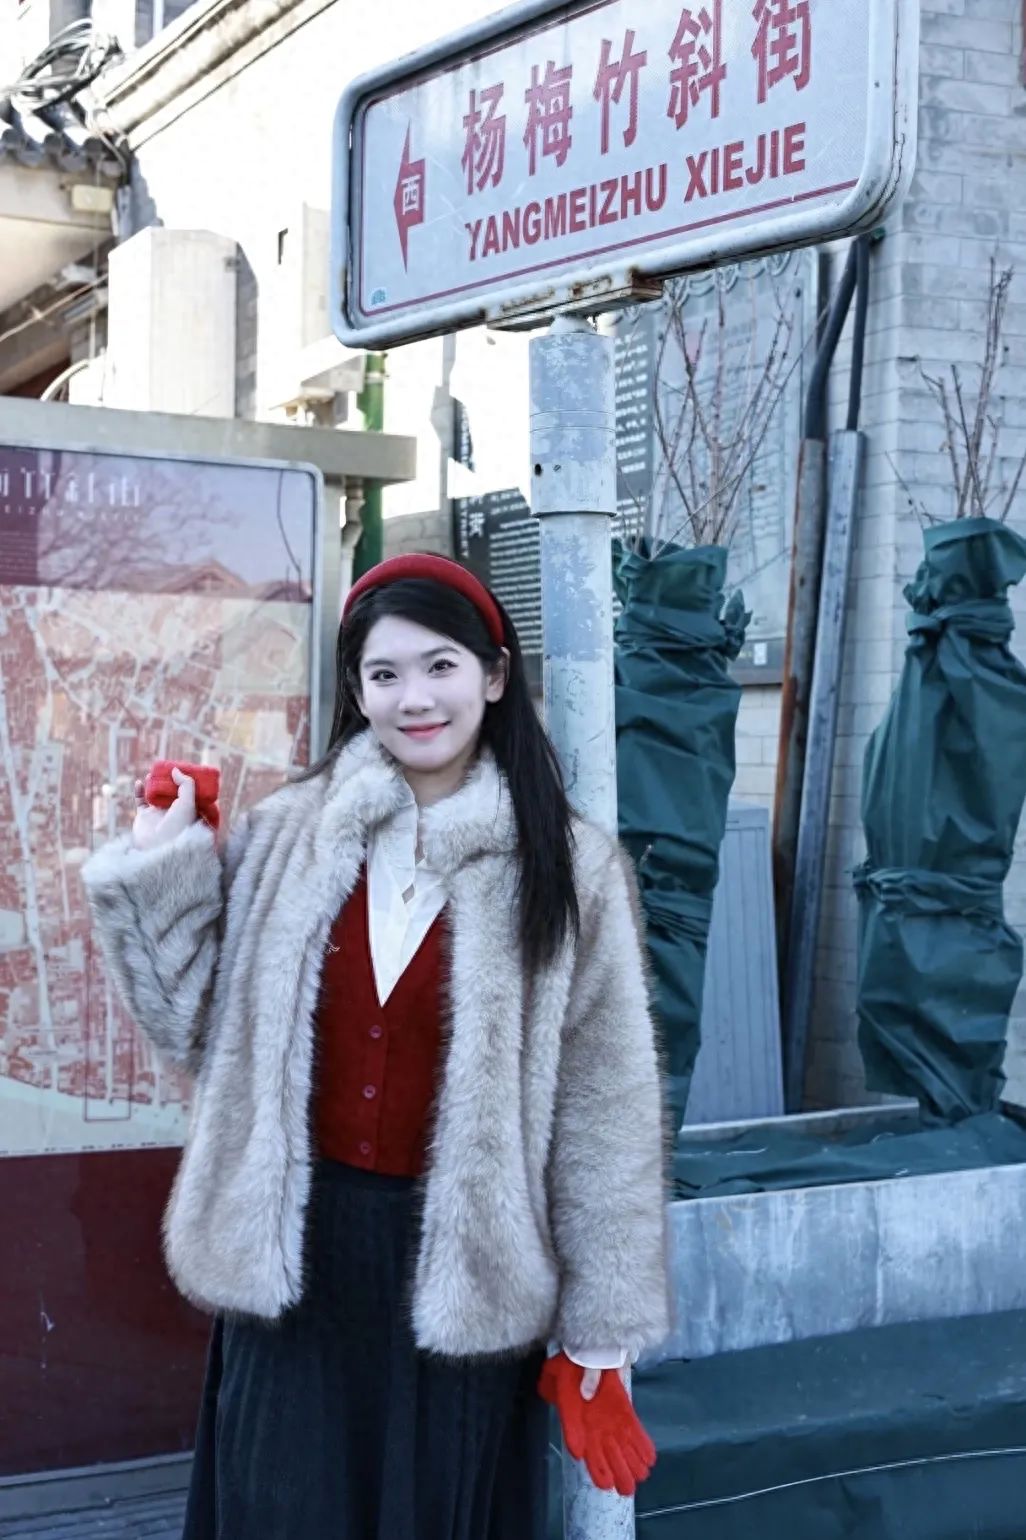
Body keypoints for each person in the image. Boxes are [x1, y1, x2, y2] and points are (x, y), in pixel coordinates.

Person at [82, 553, 672, 1540]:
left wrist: (601, 1333)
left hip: (464, 1274)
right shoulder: (288, 836)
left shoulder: (568, 867)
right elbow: (195, 1027)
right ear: (356, 691)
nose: (414, 699)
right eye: (384, 673)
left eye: (439, 667)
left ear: (494, 673)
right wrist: (159, 868)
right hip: (295, 1262)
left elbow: (603, 1107)